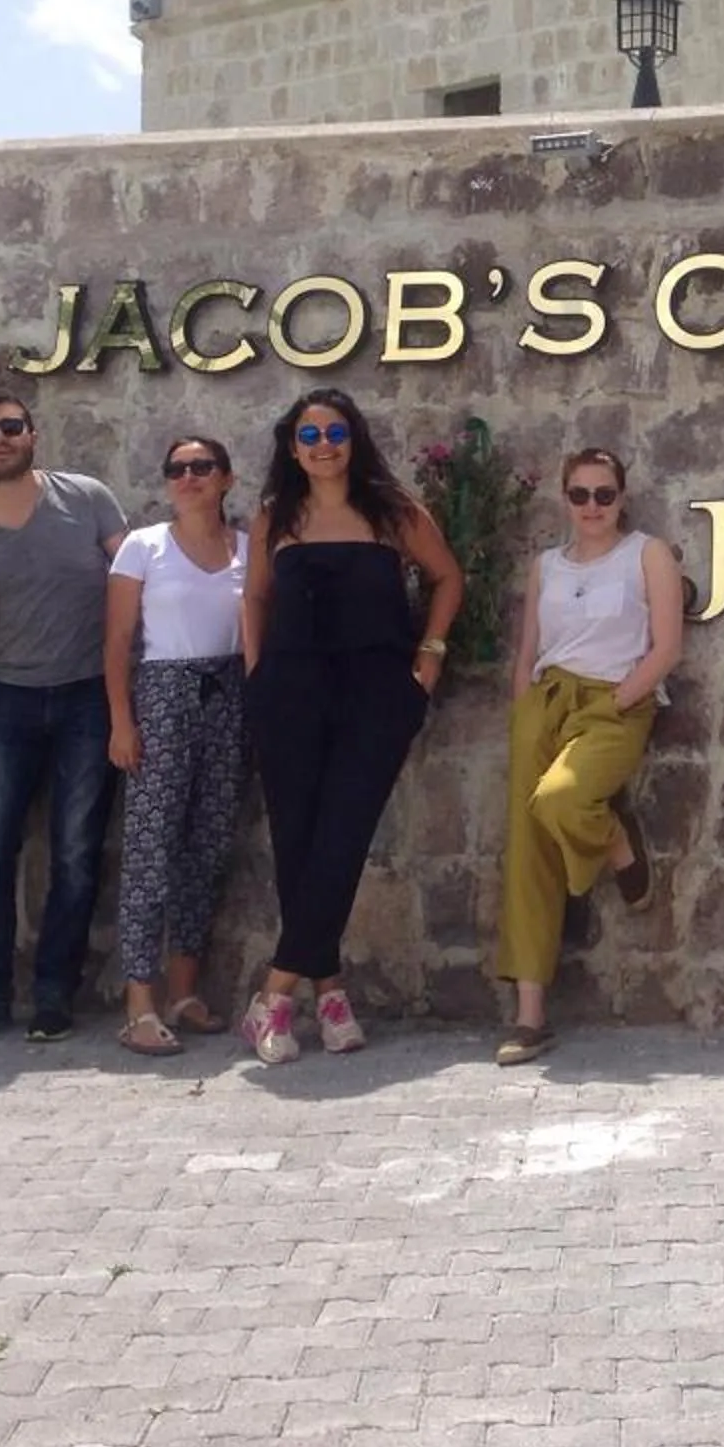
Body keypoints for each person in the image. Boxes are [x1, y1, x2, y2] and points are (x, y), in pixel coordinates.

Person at [239, 387, 463, 1066]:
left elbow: (447, 578)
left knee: (344, 834)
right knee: (299, 844)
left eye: (335, 433)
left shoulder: (394, 511)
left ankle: (273, 995)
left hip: (377, 693)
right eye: (309, 436)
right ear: (292, 448)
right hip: (291, 692)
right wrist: (256, 671)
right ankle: (330, 993)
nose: (324, 446)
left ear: (354, 438)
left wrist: (428, 658)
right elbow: (254, 597)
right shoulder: (275, 516)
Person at [0, 390, 129, 1046]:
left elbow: (133, 585)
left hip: (89, 697)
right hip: (7, 699)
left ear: (33, 434)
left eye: (11, 427)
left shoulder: (87, 498)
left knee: (76, 851)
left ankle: (54, 994)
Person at [492, 447, 686, 1066]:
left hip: (616, 700)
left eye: (604, 494)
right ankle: (529, 1016)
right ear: (565, 498)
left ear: (621, 498)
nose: (592, 506)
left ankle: (617, 842)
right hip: (545, 702)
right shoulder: (546, 566)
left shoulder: (646, 554)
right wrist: (523, 707)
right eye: (580, 494)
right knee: (528, 846)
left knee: (561, 799)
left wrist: (620, 700)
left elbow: (667, 647)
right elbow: (528, 650)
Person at [103, 433, 250, 1057]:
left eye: (202, 467)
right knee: (150, 848)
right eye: (177, 469)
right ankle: (139, 1002)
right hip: (162, 696)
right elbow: (117, 642)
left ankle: (184, 992)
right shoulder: (143, 548)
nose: (188, 477)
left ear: (226, 478)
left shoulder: (249, 550)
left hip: (229, 695)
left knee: (208, 845)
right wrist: (122, 720)